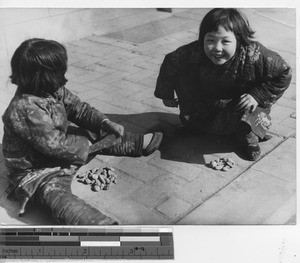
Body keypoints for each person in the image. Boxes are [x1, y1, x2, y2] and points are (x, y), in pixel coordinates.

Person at [2, 38, 163, 225]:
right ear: (43, 77)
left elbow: (79, 109)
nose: (64, 74)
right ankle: (96, 224)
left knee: (92, 131)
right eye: (59, 71)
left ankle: (134, 144)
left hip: (58, 148)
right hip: (36, 170)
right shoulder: (24, 108)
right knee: (53, 194)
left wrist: (104, 122)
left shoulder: (52, 89)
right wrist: (86, 144)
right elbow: (56, 145)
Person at [154, 8, 291, 161]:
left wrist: (257, 95)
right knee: (186, 82)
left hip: (241, 105)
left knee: (249, 110)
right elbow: (171, 62)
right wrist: (166, 93)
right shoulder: (193, 51)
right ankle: (194, 127)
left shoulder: (255, 54)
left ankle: (248, 138)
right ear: (202, 38)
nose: (217, 48)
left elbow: (283, 72)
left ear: (239, 39)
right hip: (209, 101)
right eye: (210, 40)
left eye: (225, 41)